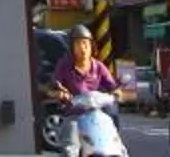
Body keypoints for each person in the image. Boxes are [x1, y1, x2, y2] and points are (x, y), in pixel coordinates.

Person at [47, 26, 122, 156]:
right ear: (72, 47)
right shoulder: (64, 65)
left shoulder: (98, 66)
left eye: (86, 43)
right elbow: (51, 89)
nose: (83, 48)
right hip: (74, 115)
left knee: (116, 145)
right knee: (70, 149)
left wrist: (117, 93)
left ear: (91, 46)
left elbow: (113, 87)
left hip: (97, 114)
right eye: (78, 44)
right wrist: (60, 94)